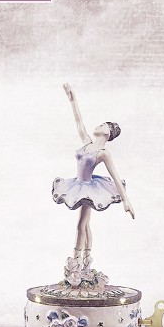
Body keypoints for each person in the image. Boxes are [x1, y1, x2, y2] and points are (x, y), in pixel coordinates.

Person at [52, 83, 134, 269]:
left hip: (89, 189)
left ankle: (76, 260)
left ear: (108, 133)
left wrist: (126, 201)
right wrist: (73, 100)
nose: (98, 125)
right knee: (85, 224)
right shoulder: (87, 142)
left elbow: (115, 177)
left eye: (102, 125)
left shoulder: (103, 153)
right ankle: (87, 258)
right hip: (77, 185)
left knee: (81, 224)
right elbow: (79, 122)